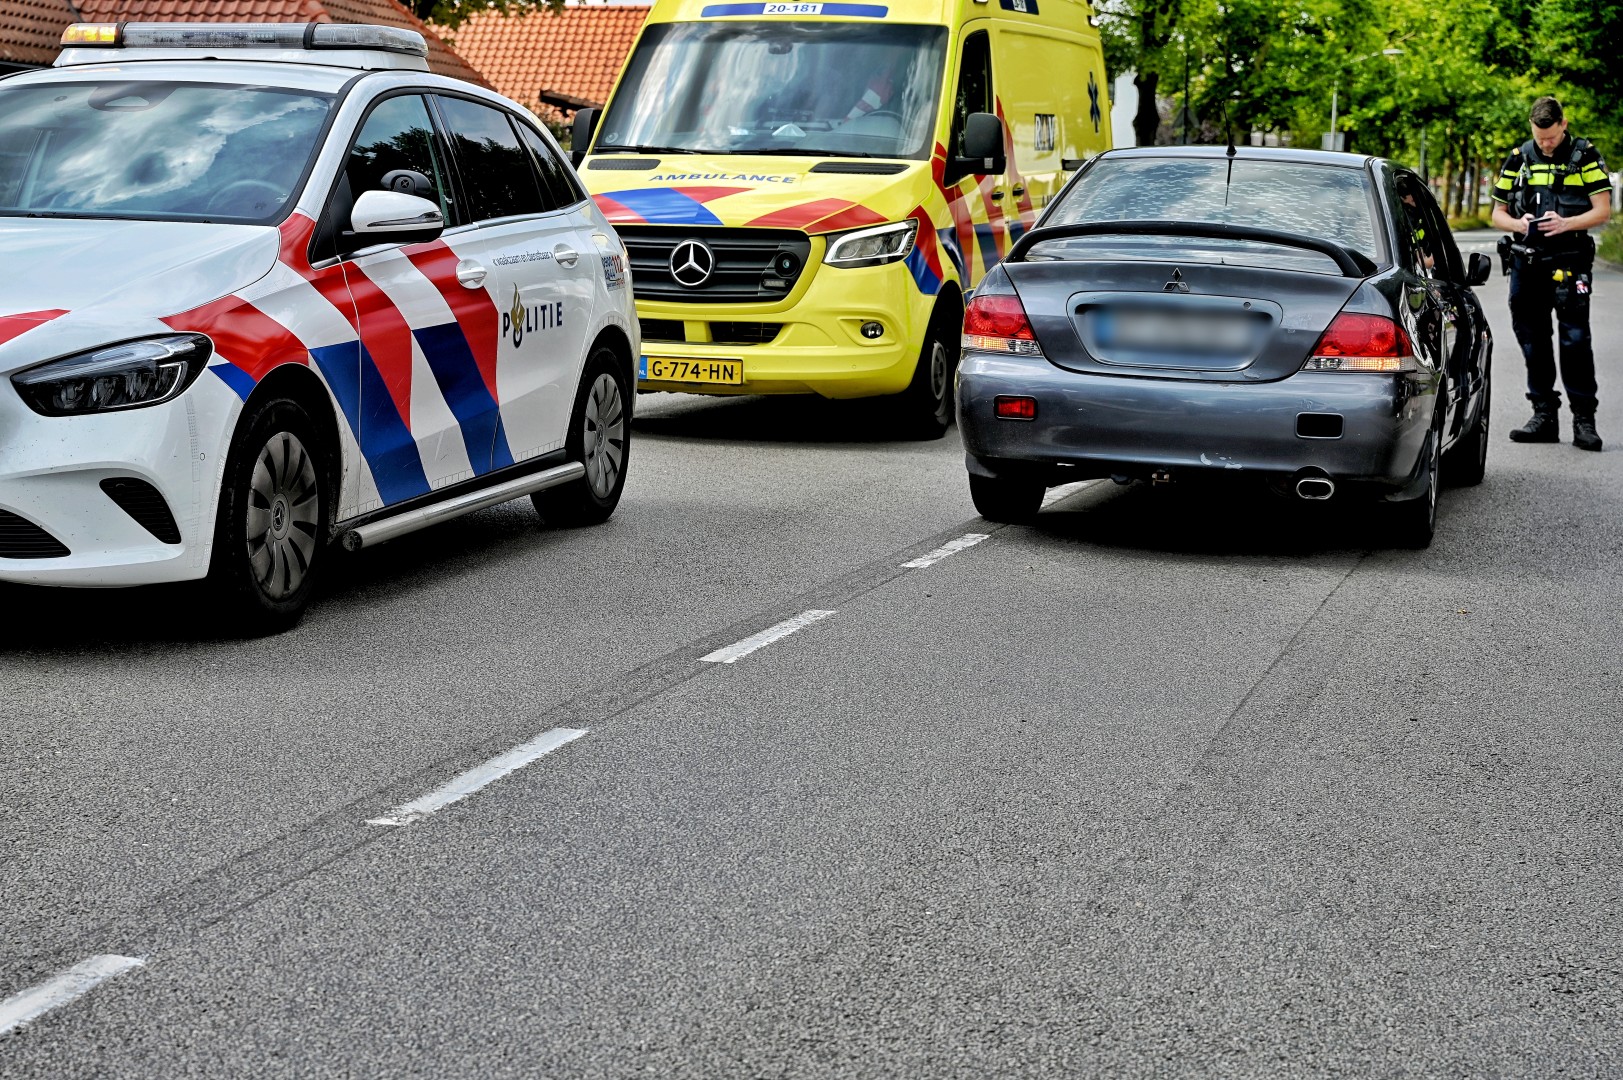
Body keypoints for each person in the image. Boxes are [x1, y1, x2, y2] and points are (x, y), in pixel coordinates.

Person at [1491, 96, 1612, 451]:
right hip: (1527, 262)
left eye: (1551, 137)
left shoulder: (1585, 156)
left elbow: (1602, 211)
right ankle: (1543, 415)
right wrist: (1518, 222)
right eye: (1539, 137)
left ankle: (1584, 421)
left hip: (1571, 259)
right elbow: (1497, 213)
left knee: (1575, 340)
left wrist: (1566, 223)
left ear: (1564, 123)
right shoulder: (1518, 158)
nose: (1545, 144)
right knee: (1532, 339)